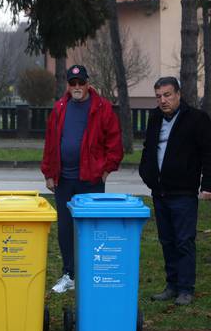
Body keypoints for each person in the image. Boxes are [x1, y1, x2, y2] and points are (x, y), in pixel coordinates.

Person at [41, 64, 123, 293]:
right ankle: (69, 274)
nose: (77, 87)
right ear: (68, 85)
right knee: (66, 229)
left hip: (91, 180)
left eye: (81, 82)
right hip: (64, 180)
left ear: (87, 83)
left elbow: (114, 143)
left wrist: (105, 171)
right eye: (72, 83)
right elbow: (50, 142)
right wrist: (49, 172)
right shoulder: (59, 108)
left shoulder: (102, 108)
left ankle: (91, 272)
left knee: (91, 227)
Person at [139, 76, 211, 306]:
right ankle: (171, 285)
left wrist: (207, 185)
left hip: (183, 193)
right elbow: (149, 147)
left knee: (183, 241)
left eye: (167, 95)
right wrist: (147, 174)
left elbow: (209, 155)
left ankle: (186, 288)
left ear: (178, 94)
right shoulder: (154, 118)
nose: (163, 100)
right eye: (159, 96)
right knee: (166, 240)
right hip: (160, 192)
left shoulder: (197, 120)